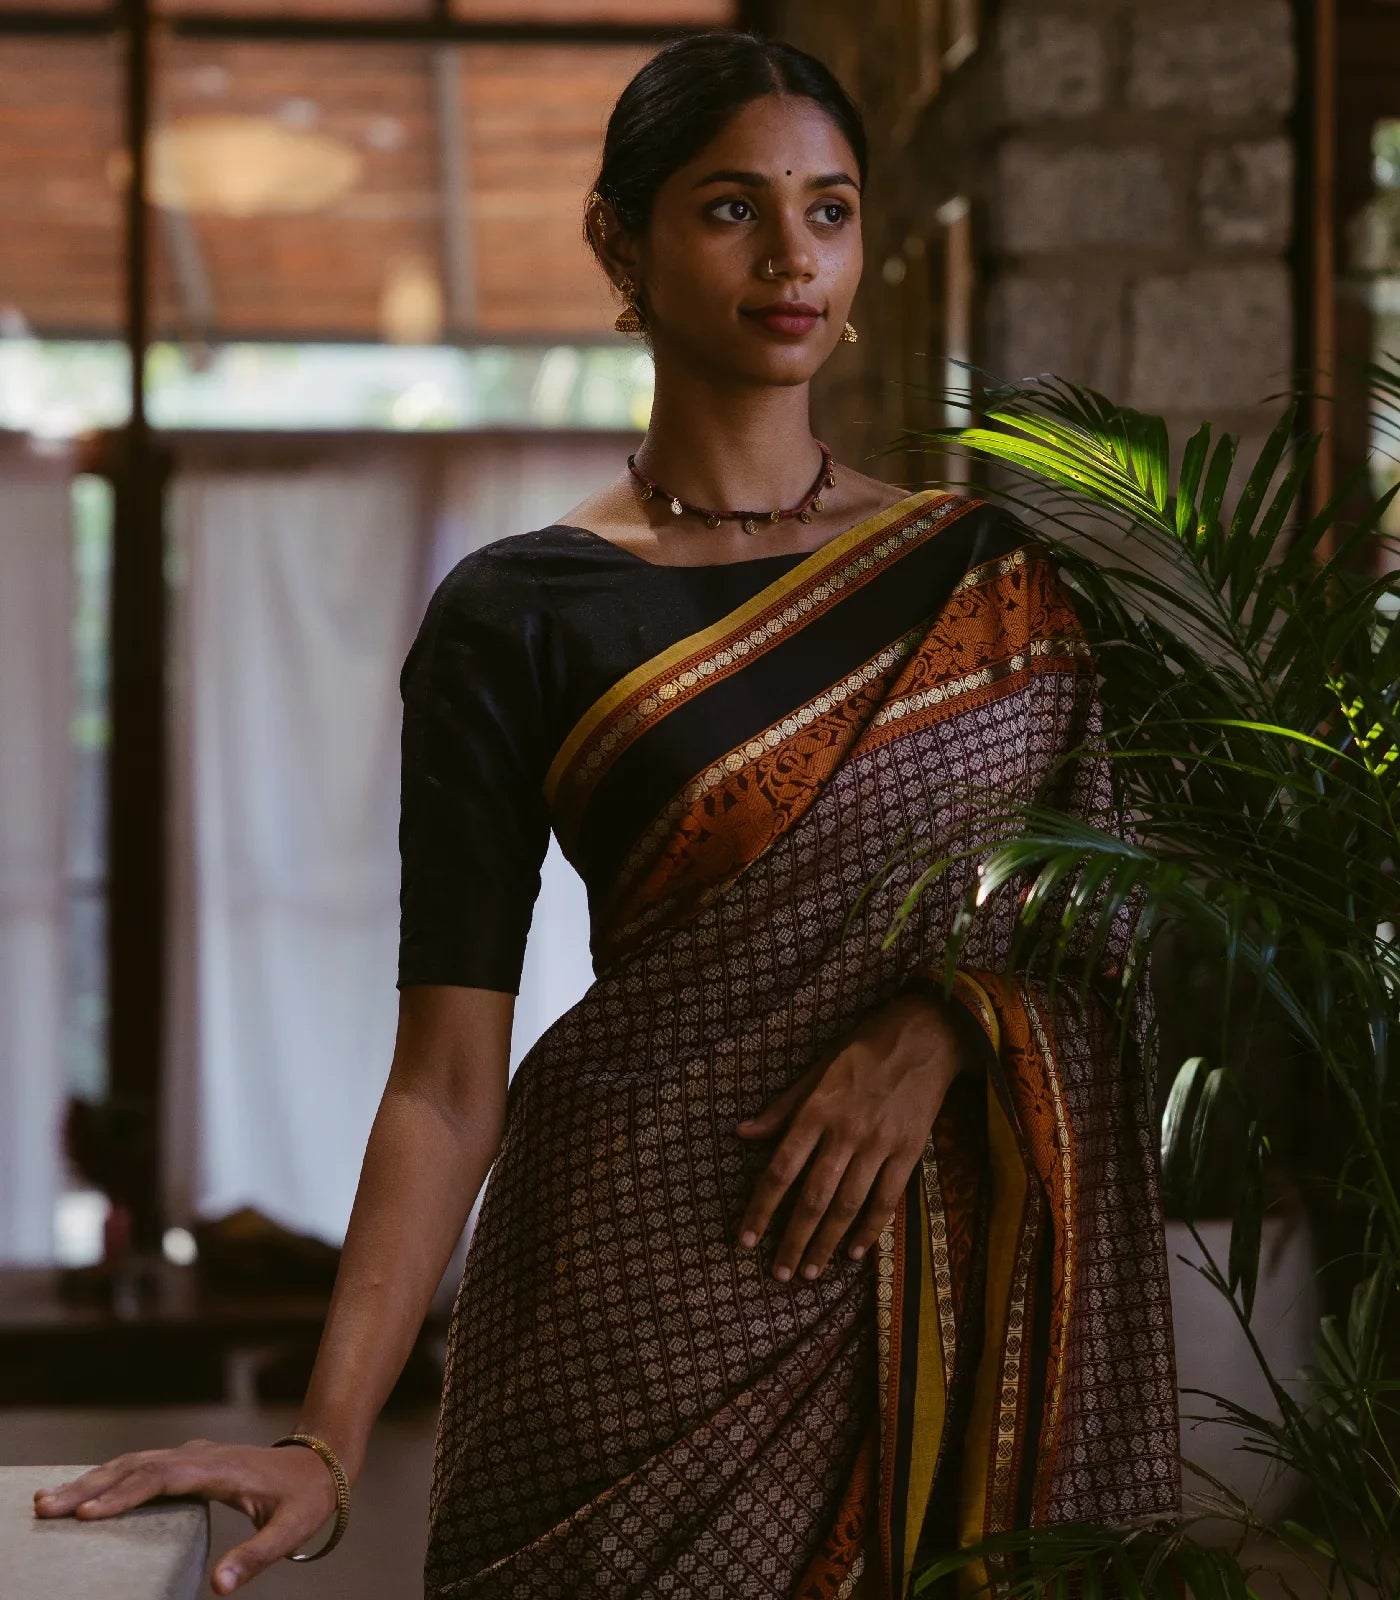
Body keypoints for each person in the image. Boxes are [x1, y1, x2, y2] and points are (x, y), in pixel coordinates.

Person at [32, 30, 1180, 1599]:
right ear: (621, 242)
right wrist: (324, 1437)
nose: (793, 257)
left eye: (829, 210)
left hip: (933, 1295)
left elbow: (1115, 902)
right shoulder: (520, 611)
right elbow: (445, 1080)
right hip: (619, 1302)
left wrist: (944, 1032)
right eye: (731, 210)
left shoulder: (986, 581)